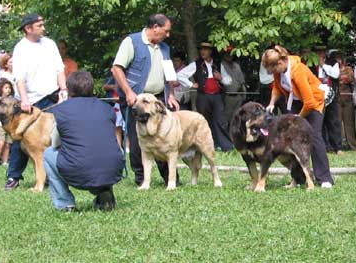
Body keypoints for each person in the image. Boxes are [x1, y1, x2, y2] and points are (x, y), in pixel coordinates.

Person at [111, 13, 180, 186]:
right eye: (166, 31)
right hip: (136, 99)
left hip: (157, 99)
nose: (168, 35)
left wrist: (171, 94)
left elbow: (169, 74)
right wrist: (128, 92)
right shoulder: (131, 42)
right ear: (155, 27)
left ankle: (171, 179)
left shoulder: (164, 48)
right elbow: (116, 69)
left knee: (165, 136)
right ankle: (142, 179)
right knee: (137, 141)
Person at [43, 71, 125, 211]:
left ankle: (65, 203)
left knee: (48, 153)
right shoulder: (107, 108)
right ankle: (104, 193)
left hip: (78, 170)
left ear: (69, 90)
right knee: (106, 151)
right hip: (113, 168)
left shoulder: (61, 110)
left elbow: (55, 143)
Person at [6, 13, 67, 191]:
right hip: (31, 102)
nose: (43, 28)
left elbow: (59, 69)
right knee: (22, 141)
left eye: (43, 25)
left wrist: (63, 90)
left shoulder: (49, 44)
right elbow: (19, 77)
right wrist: (24, 100)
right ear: (28, 28)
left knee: (58, 137)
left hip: (53, 97)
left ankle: (57, 175)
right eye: (39, 25)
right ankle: (13, 176)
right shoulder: (21, 48)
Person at [262, 45, 334, 188]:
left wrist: (297, 119)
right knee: (291, 139)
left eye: (274, 69)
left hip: (314, 102)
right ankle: (298, 179)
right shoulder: (278, 71)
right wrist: (271, 104)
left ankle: (324, 178)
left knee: (314, 136)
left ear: (281, 63)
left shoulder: (298, 71)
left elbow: (309, 102)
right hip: (295, 101)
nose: (273, 73)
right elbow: (277, 88)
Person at [177, 42, 234, 151]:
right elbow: (180, 75)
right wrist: (191, 85)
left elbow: (229, 81)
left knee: (220, 120)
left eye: (206, 49)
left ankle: (226, 146)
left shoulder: (218, 64)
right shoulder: (196, 64)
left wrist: (221, 78)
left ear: (210, 51)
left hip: (217, 97)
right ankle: (205, 146)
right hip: (203, 97)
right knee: (204, 121)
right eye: (202, 49)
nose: (203, 51)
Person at [312, 46, 343, 154]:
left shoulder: (332, 61)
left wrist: (323, 65)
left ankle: (337, 147)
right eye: (318, 51)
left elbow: (335, 74)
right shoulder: (311, 63)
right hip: (317, 95)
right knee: (319, 120)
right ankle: (324, 146)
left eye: (322, 51)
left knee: (333, 120)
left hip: (331, 94)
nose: (320, 53)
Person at [335, 50, 356, 150]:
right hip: (337, 98)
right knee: (337, 122)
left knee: (349, 123)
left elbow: (351, 78)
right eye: (337, 59)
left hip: (348, 98)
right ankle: (339, 145)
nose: (339, 60)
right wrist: (341, 78)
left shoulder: (348, 68)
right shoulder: (333, 69)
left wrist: (341, 78)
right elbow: (335, 79)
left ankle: (352, 145)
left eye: (340, 58)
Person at [220, 47, 246, 126]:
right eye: (227, 53)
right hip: (227, 96)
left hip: (238, 96)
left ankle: (233, 136)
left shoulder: (236, 66)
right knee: (226, 118)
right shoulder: (220, 65)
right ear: (223, 54)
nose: (229, 55)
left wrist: (243, 95)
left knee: (236, 118)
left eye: (230, 53)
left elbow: (241, 82)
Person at [0, 79, 14, 166]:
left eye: (9, 88)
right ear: (0, 89)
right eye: (6, 88)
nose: (8, 90)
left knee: (8, 144)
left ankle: (5, 162)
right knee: (0, 143)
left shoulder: (12, 100)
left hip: (9, 125)